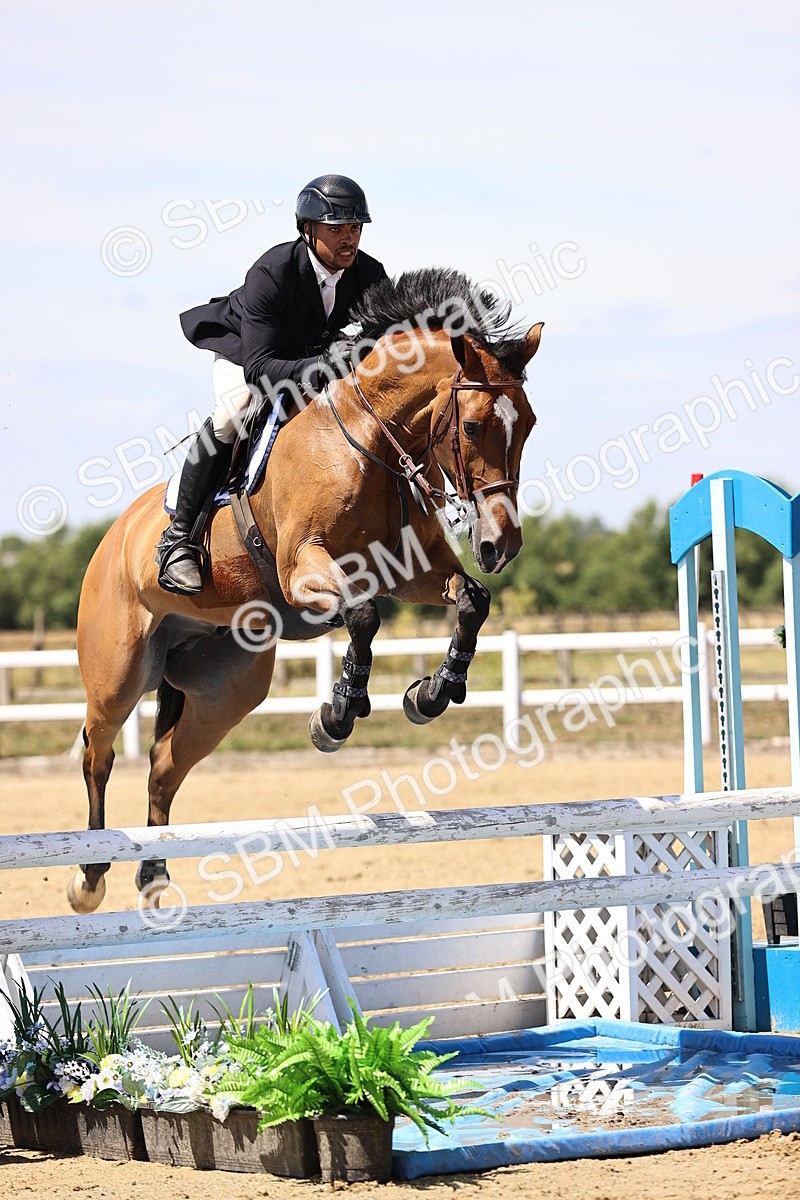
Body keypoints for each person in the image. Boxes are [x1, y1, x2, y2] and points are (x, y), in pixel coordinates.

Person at [156, 174, 388, 595]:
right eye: (335, 229)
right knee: (234, 412)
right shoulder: (272, 272)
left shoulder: (370, 274)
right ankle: (179, 540)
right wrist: (323, 365)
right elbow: (259, 367)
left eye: (354, 228)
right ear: (307, 229)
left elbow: (390, 343)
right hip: (248, 352)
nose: (348, 238)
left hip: (311, 354)